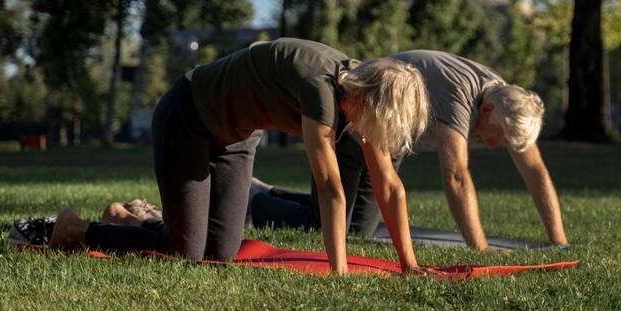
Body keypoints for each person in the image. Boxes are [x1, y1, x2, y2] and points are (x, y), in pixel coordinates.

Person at [47, 38, 431, 275]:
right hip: (188, 119)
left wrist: (410, 265)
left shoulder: (360, 94)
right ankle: (76, 230)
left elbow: (390, 187)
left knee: (219, 254)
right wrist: (339, 273)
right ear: (372, 100)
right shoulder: (323, 90)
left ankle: (126, 219)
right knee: (185, 254)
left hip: (237, 140)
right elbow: (330, 188)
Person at [250, 50, 569, 250]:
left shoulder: (509, 102)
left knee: (359, 230)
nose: (496, 145)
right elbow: (456, 176)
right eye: (497, 136)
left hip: (393, 136)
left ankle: (271, 193)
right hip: (360, 116)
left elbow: (535, 170)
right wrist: (480, 249)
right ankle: (256, 203)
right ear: (485, 111)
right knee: (326, 224)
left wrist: (559, 242)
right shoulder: (459, 97)